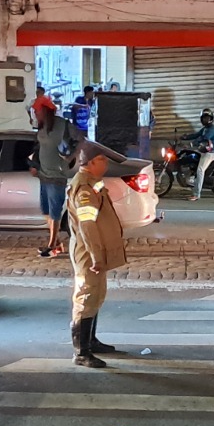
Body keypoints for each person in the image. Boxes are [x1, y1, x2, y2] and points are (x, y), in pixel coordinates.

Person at [66, 144, 128, 368]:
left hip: (94, 252)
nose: (106, 163)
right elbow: (87, 226)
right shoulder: (84, 188)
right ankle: (81, 352)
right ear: (90, 162)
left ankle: (90, 341)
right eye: (102, 159)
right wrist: (95, 256)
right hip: (88, 253)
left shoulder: (92, 183)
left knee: (96, 296)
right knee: (86, 298)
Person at [31, 102, 79, 257]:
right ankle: (56, 242)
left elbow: (81, 140)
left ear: (45, 111)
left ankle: (52, 245)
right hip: (43, 174)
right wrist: (35, 164)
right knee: (46, 210)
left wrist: (70, 157)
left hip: (57, 175)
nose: (35, 114)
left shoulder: (63, 125)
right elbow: (39, 147)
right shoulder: (42, 126)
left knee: (55, 211)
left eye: (37, 111)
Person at [186, 109, 214, 201]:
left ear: (211, 119)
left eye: (207, 118)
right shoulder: (205, 129)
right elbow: (196, 135)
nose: (205, 120)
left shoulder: (212, 129)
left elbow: (203, 138)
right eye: (204, 118)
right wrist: (185, 137)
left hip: (211, 152)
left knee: (200, 170)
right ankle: (192, 179)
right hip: (204, 151)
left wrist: (192, 144)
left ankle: (196, 194)